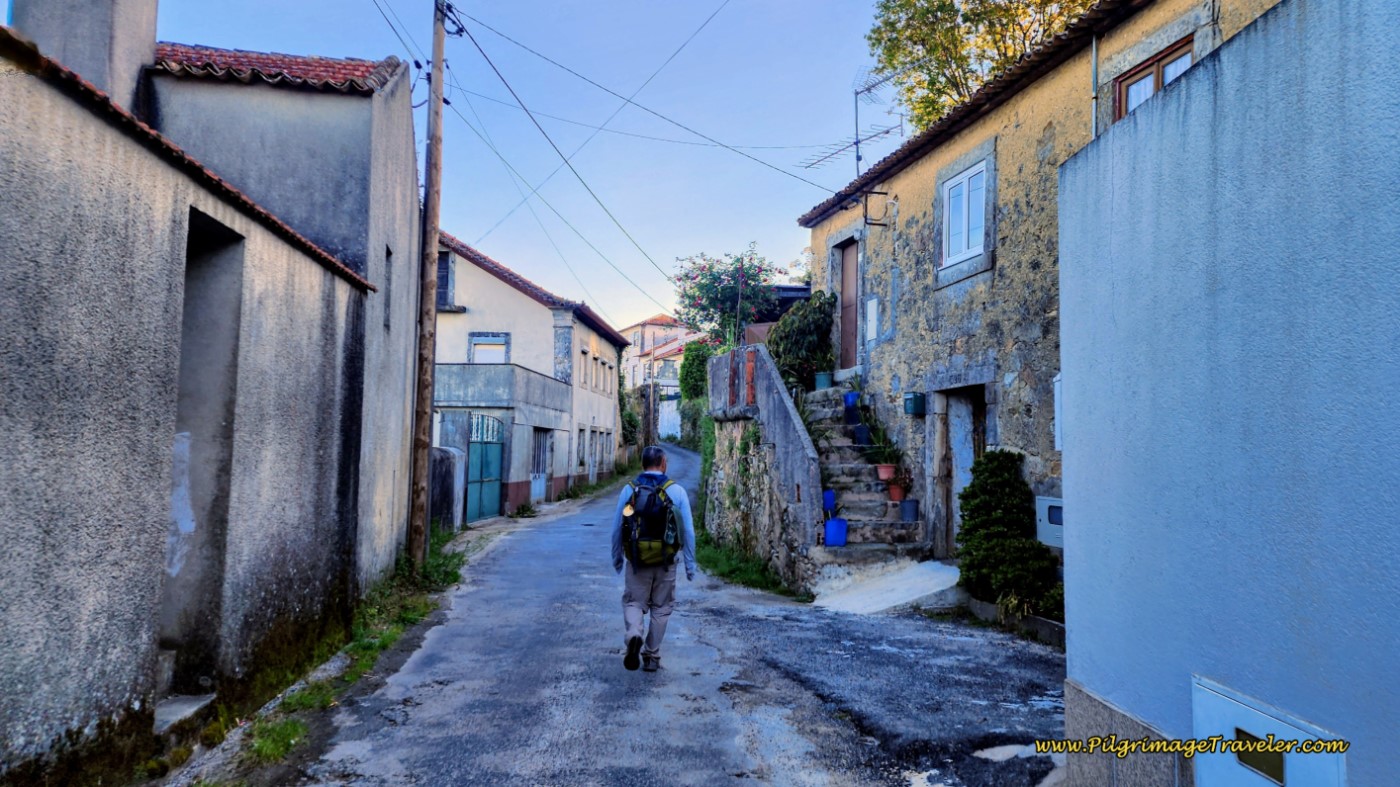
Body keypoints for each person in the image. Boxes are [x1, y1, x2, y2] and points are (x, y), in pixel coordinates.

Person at [611, 445, 696, 672]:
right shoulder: (677, 491)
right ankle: (651, 656)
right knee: (661, 608)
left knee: (633, 602)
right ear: (664, 463)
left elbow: (617, 527)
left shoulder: (630, 490)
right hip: (666, 562)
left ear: (642, 464)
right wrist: (690, 565)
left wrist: (617, 558)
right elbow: (688, 531)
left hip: (637, 561)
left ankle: (634, 634)